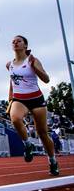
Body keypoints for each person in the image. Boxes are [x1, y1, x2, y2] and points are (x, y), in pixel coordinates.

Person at [6, 35, 59, 176]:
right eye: (13, 42)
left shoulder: (32, 60)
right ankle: (27, 145)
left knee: (42, 133)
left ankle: (52, 160)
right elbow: (12, 81)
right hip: (19, 99)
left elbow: (46, 79)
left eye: (19, 41)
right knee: (15, 119)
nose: (15, 43)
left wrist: (35, 67)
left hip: (36, 99)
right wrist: (10, 97)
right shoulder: (9, 64)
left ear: (25, 45)